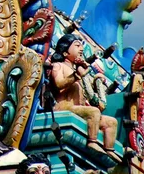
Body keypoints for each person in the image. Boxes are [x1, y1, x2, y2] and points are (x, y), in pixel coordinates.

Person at [49, 34, 121, 162]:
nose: (81, 48)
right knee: (94, 112)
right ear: (65, 52)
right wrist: (76, 75)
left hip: (76, 109)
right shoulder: (58, 66)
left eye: (81, 45)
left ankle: (109, 150)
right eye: (77, 45)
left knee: (111, 122)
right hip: (63, 107)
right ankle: (92, 142)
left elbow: (84, 97)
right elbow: (59, 83)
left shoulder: (80, 72)